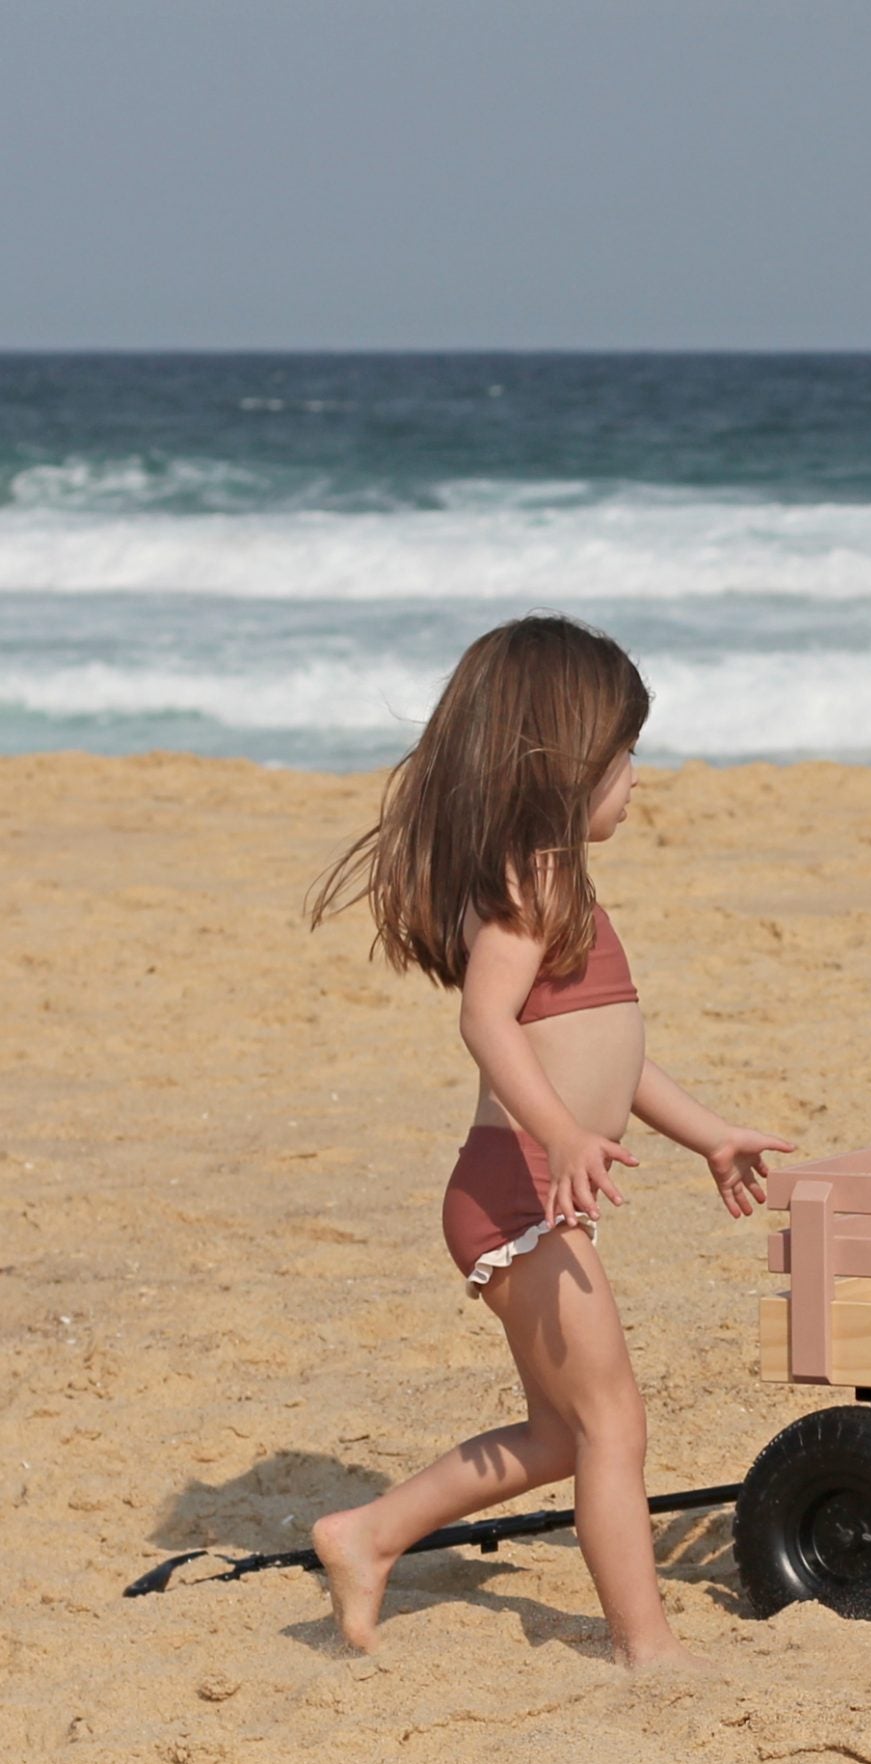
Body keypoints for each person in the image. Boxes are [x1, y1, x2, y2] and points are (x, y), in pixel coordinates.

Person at [302, 617, 792, 1664]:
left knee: (559, 1436)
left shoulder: (560, 881)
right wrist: (564, 1130)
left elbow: (608, 1054)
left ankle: (367, 1534)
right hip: (518, 1194)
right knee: (614, 1426)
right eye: (624, 760)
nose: (636, 781)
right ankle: (643, 1645)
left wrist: (706, 1134)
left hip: (531, 1190)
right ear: (565, 764)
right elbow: (485, 1022)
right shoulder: (529, 885)